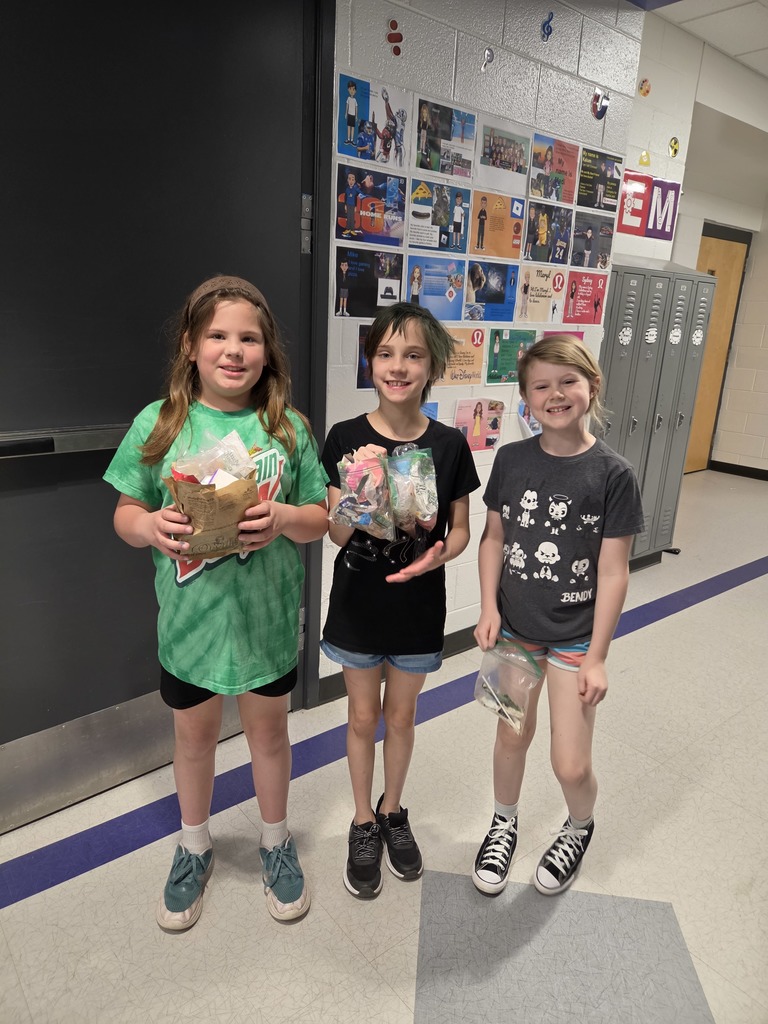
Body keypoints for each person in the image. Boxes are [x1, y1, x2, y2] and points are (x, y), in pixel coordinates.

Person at [104, 275, 329, 930]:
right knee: (194, 739)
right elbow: (124, 513)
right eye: (218, 336)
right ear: (190, 345)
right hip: (190, 627)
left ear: (268, 350)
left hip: (265, 623)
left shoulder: (286, 428)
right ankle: (194, 844)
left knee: (270, 736)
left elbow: (320, 517)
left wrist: (283, 518)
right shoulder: (161, 423)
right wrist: (150, 526)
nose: (234, 350)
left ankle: (275, 841)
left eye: (249, 338)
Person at [471, 335, 644, 898]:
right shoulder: (511, 459)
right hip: (515, 633)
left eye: (568, 382)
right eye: (541, 386)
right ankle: (503, 822)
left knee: (570, 764)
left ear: (592, 386)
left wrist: (597, 657)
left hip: (575, 640)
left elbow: (613, 572)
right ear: (526, 398)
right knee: (510, 736)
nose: (556, 394)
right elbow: (494, 538)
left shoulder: (614, 474)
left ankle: (579, 826)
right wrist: (488, 605)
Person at [321, 302, 480, 900]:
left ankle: (393, 810)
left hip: (418, 607)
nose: (397, 366)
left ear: (432, 365)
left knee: (403, 717)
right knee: (363, 717)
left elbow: (459, 531)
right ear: (370, 362)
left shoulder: (449, 444)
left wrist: (440, 556)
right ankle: (363, 819)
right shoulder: (345, 438)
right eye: (385, 354)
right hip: (358, 604)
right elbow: (337, 534)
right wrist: (358, 494)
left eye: (413, 355)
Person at [344, 80, 358, 146]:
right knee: (349, 127)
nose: (352, 91)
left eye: (353, 89)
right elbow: (347, 106)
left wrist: (356, 116)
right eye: (350, 89)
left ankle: (352, 140)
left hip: (353, 115)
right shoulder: (348, 98)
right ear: (348, 89)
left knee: (353, 127)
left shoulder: (355, 100)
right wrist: (346, 113)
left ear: (355, 91)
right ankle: (348, 139)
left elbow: (356, 108)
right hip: (349, 114)